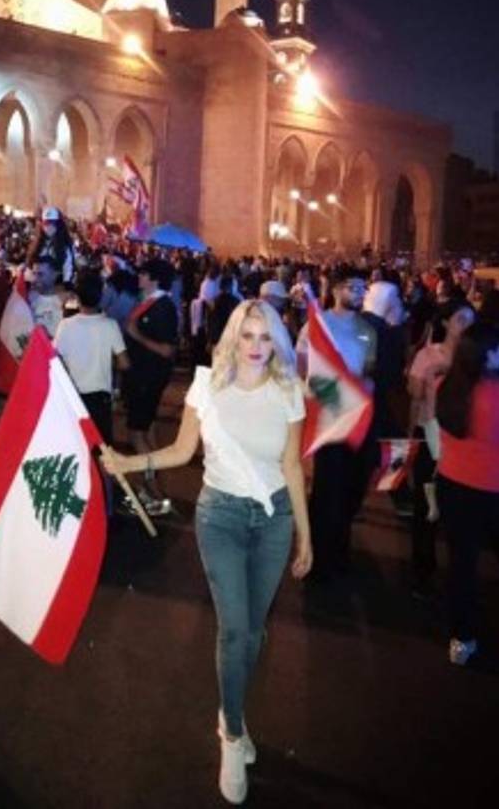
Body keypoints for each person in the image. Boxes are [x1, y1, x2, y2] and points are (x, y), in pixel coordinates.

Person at [102, 300, 311, 805]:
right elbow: (179, 452)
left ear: (276, 342)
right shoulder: (207, 387)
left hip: (275, 519)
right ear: (233, 339)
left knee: (255, 633)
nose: (257, 347)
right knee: (234, 629)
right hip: (220, 518)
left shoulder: (288, 391)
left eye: (265, 338)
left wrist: (307, 535)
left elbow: (291, 466)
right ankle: (233, 735)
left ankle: (230, 708)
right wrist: (128, 463)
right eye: (248, 336)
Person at [296, 268, 377, 580]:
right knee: (326, 489)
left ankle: (340, 551)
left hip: (355, 418)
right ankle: (315, 553)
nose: (358, 294)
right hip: (327, 417)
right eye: (352, 288)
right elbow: (304, 367)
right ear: (337, 290)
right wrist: (333, 394)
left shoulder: (368, 331)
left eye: (362, 288)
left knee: (350, 487)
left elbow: (367, 371)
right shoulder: (318, 325)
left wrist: (363, 388)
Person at [435, 322, 499, 666]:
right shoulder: (494, 394)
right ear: (490, 353)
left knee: (463, 564)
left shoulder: (450, 386)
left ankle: (462, 638)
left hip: (454, 485)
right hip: (493, 490)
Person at [406, 301, 475, 597]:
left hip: (462, 440)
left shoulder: (478, 359)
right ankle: (422, 570)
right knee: (424, 507)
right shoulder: (428, 355)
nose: (467, 326)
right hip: (430, 433)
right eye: (461, 319)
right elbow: (414, 394)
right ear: (446, 323)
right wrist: (432, 374)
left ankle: (460, 576)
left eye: (471, 320)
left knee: (458, 511)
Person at [122, 258, 179, 515]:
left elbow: (167, 350)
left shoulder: (162, 306)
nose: (139, 277)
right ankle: (153, 488)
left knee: (137, 433)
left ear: (154, 278)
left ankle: (153, 493)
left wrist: (137, 336)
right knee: (148, 432)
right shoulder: (149, 303)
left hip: (147, 378)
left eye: (143, 273)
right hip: (140, 376)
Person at [54, 270, 129, 445]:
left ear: (77, 298)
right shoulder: (110, 326)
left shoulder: (65, 326)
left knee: (76, 447)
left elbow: (56, 360)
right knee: (101, 451)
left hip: (72, 396)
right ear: (100, 296)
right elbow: (124, 363)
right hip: (100, 399)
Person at [26, 206, 75, 286]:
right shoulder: (36, 243)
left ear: (58, 225)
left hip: (55, 285)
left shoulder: (64, 244)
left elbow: (68, 265)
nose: (48, 227)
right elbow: (29, 261)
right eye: (45, 224)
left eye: (52, 223)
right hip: (36, 284)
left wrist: (67, 281)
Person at [29, 257, 64, 339]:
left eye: (40, 274)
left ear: (54, 275)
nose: (36, 278)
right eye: (34, 274)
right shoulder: (27, 299)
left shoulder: (65, 302)